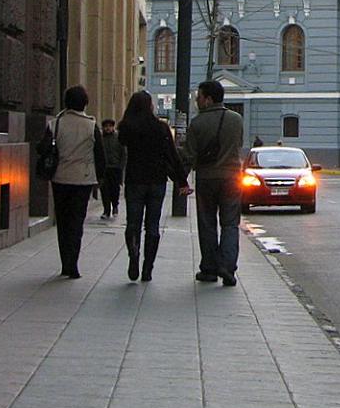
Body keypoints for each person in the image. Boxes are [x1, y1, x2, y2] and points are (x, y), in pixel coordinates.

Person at [117, 91, 192, 282]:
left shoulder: (127, 126)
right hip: (157, 182)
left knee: (133, 223)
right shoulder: (161, 128)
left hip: (135, 180)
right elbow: (172, 155)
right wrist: (181, 180)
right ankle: (147, 268)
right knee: (152, 226)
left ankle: (133, 256)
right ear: (150, 106)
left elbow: (121, 144)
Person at [180, 80, 245, 286]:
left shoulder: (197, 123)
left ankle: (209, 268)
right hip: (232, 178)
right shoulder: (236, 120)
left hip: (207, 179)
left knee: (207, 223)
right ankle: (227, 266)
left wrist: (182, 180)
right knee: (230, 223)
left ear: (208, 99)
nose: (197, 100)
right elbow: (238, 145)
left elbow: (189, 156)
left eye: (199, 97)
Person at [48, 85, 105, 278]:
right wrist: (100, 178)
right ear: (85, 103)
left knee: (62, 221)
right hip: (83, 179)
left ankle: (65, 262)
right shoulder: (91, 125)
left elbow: (43, 147)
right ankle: (73, 263)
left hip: (60, 177)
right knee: (76, 222)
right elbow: (100, 155)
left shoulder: (56, 123)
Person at [98, 119, 125, 220]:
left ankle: (115, 206)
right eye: (106, 126)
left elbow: (123, 153)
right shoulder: (100, 138)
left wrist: (121, 167)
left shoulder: (118, 138)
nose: (108, 128)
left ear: (113, 127)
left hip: (115, 168)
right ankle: (106, 210)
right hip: (104, 168)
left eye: (110, 126)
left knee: (115, 189)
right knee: (104, 190)